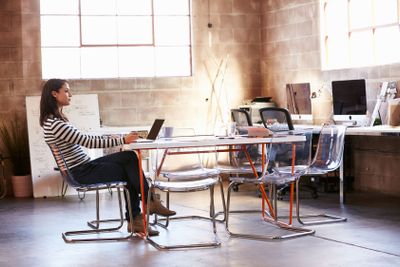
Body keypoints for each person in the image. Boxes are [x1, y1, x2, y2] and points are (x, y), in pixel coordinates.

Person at [39, 78, 175, 236]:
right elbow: (88, 142)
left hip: (83, 167)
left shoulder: (54, 121)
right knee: (130, 170)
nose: (71, 94)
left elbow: (82, 137)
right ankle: (142, 211)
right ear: (54, 94)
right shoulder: (56, 124)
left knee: (130, 158)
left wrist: (118, 137)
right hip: (81, 172)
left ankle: (144, 209)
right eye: (67, 91)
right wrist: (123, 140)